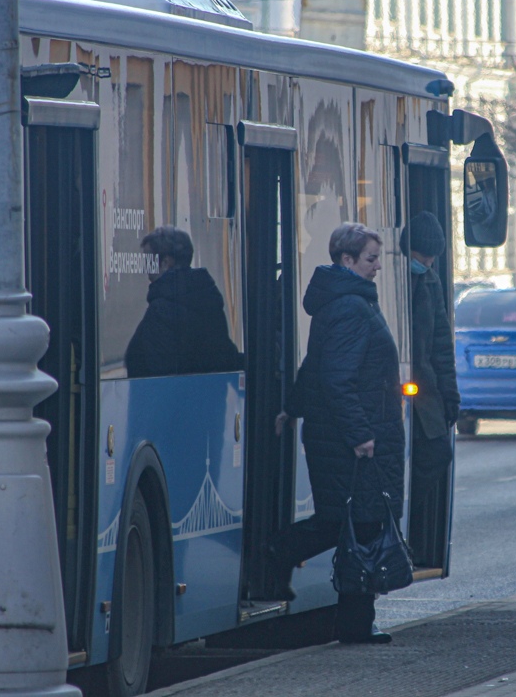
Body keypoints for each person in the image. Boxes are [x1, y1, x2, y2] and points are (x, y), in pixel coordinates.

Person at [269, 222, 405, 644]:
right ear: (347, 260)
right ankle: (278, 557)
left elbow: (315, 365)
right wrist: (361, 435)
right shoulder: (350, 306)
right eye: (370, 259)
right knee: (358, 524)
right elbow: (336, 378)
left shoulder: (346, 301)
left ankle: (353, 621)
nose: (377, 267)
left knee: (349, 522)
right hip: (351, 440)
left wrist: (293, 407)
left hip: (339, 434)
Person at [402, 211, 460, 526]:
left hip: (424, 387)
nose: (428, 262)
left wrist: (450, 395)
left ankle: (405, 520)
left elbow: (441, 344)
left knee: (437, 454)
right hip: (397, 387)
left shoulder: (430, 281)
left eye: (433, 257)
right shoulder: (393, 278)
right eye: (423, 255)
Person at [124, 226, 242, 377]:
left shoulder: (162, 310)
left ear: (166, 262)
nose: (146, 269)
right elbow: (223, 356)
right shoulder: (207, 299)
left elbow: (157, 371)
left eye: (149, 261)